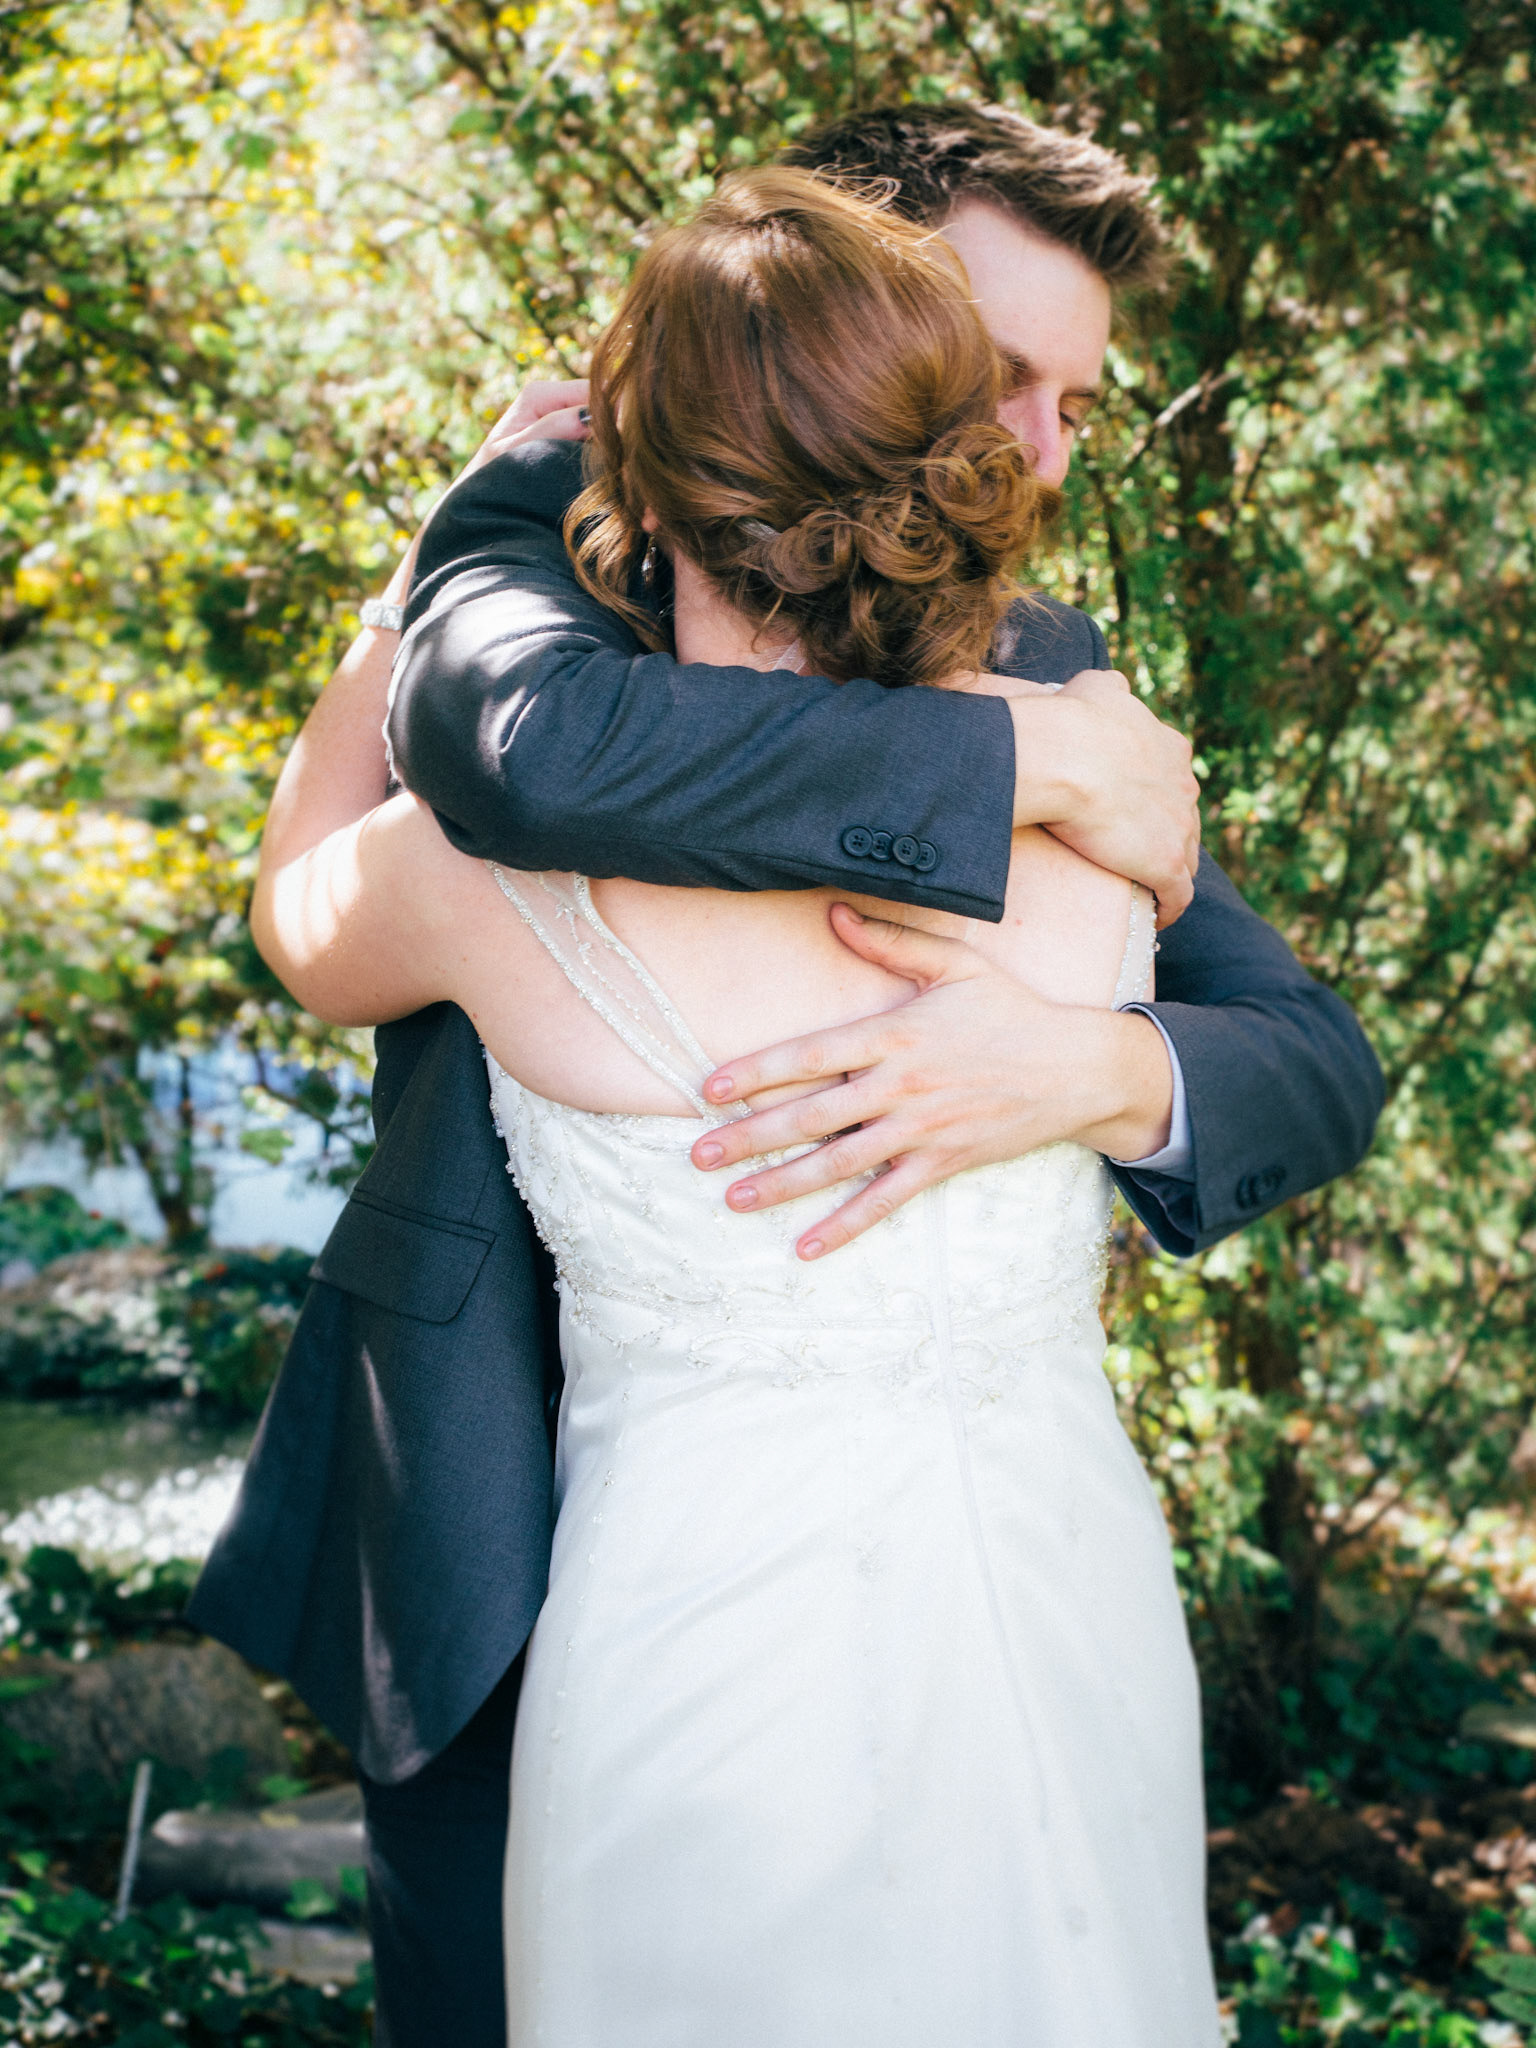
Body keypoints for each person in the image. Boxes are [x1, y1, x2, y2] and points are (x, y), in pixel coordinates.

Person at [188, 101, 1382, 2046]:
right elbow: (536, 749)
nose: (1034, 450)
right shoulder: (551, 622)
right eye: (998, 379)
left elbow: (1314, 1057)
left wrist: (1085, 1068)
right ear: (873, 318)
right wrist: (1016, 771)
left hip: (793, 1596)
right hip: (484, 1542)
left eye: (1071, 405)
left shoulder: (1066, 700)